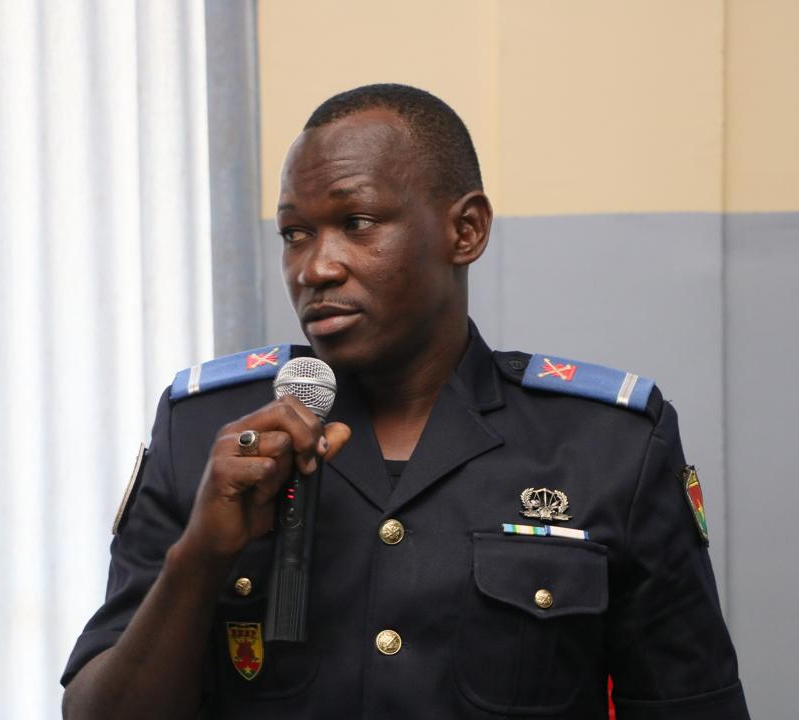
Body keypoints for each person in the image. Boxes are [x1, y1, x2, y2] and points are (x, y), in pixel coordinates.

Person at [61, 84, 750, 719]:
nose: (315, 267)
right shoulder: (206, 434)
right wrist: (200, 556)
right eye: (295, 233)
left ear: (465, 231)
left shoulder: (608, 448)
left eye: (357, 222)